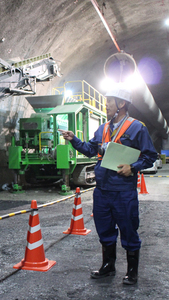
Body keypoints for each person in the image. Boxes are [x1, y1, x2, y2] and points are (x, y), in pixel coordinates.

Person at [59, 85, 157, 285]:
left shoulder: (138, 127)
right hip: (102, 191)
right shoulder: (102, 128)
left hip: (123, 191)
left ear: (121, 104)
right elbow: (90, 149)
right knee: (104, 229)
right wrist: (73, 140)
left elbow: (150, 156)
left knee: (129, 230)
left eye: (109, 102)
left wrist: (133, 167)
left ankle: (132, 272)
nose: (106, 106)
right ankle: (108, 266)